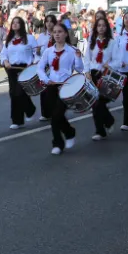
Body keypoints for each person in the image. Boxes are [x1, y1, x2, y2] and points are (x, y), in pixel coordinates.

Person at [37, 21, 83, 155]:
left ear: (65, 34)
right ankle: (69, 132)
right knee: (54, 115)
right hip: (51, 85)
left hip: (66, 86)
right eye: (55, 32)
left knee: (57, 115)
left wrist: (79, 58)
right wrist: (46, 79)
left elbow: (79, 68)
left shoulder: (72, 50)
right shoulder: (48, 51)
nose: (57, 34)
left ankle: (57, 143)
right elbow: (40, 68)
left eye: (60, 32)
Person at [0, 16, 38, 129]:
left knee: (20, 92)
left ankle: (30, 109)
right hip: (12, 68)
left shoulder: (29, 38)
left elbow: (36, 52)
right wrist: (5, 61)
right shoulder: (9, 39)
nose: (15, 24)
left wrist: (32, 63)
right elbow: (3, 53)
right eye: (13, 23)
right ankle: (17, 120)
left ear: (22, 25)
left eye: (18, 22)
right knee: (13, 93)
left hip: (25, 68)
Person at [86, 17, 118, 141]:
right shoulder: (91, 41)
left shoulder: (111, 42)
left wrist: (110, 66)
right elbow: (87, 58)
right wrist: (87, 71)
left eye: (103, 25)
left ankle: (109, 120)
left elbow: (117, 60)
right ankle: (100, 130)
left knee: (100, 102)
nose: (101, 28)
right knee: (94, 104)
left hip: (105, 75)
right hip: (93, 74)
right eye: (99, 25)